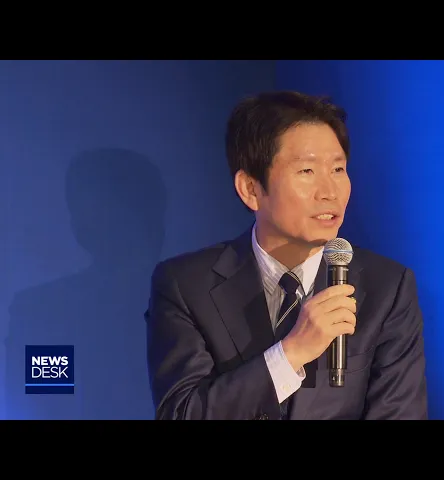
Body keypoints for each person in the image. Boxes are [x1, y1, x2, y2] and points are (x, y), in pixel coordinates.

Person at [144, 91, 428, 420]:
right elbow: (181, 413)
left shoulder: (387, 288)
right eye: (306, 171)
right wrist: (291, 353)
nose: (330, 192)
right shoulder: (185, 285)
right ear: (250, 189)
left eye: (338, 169)